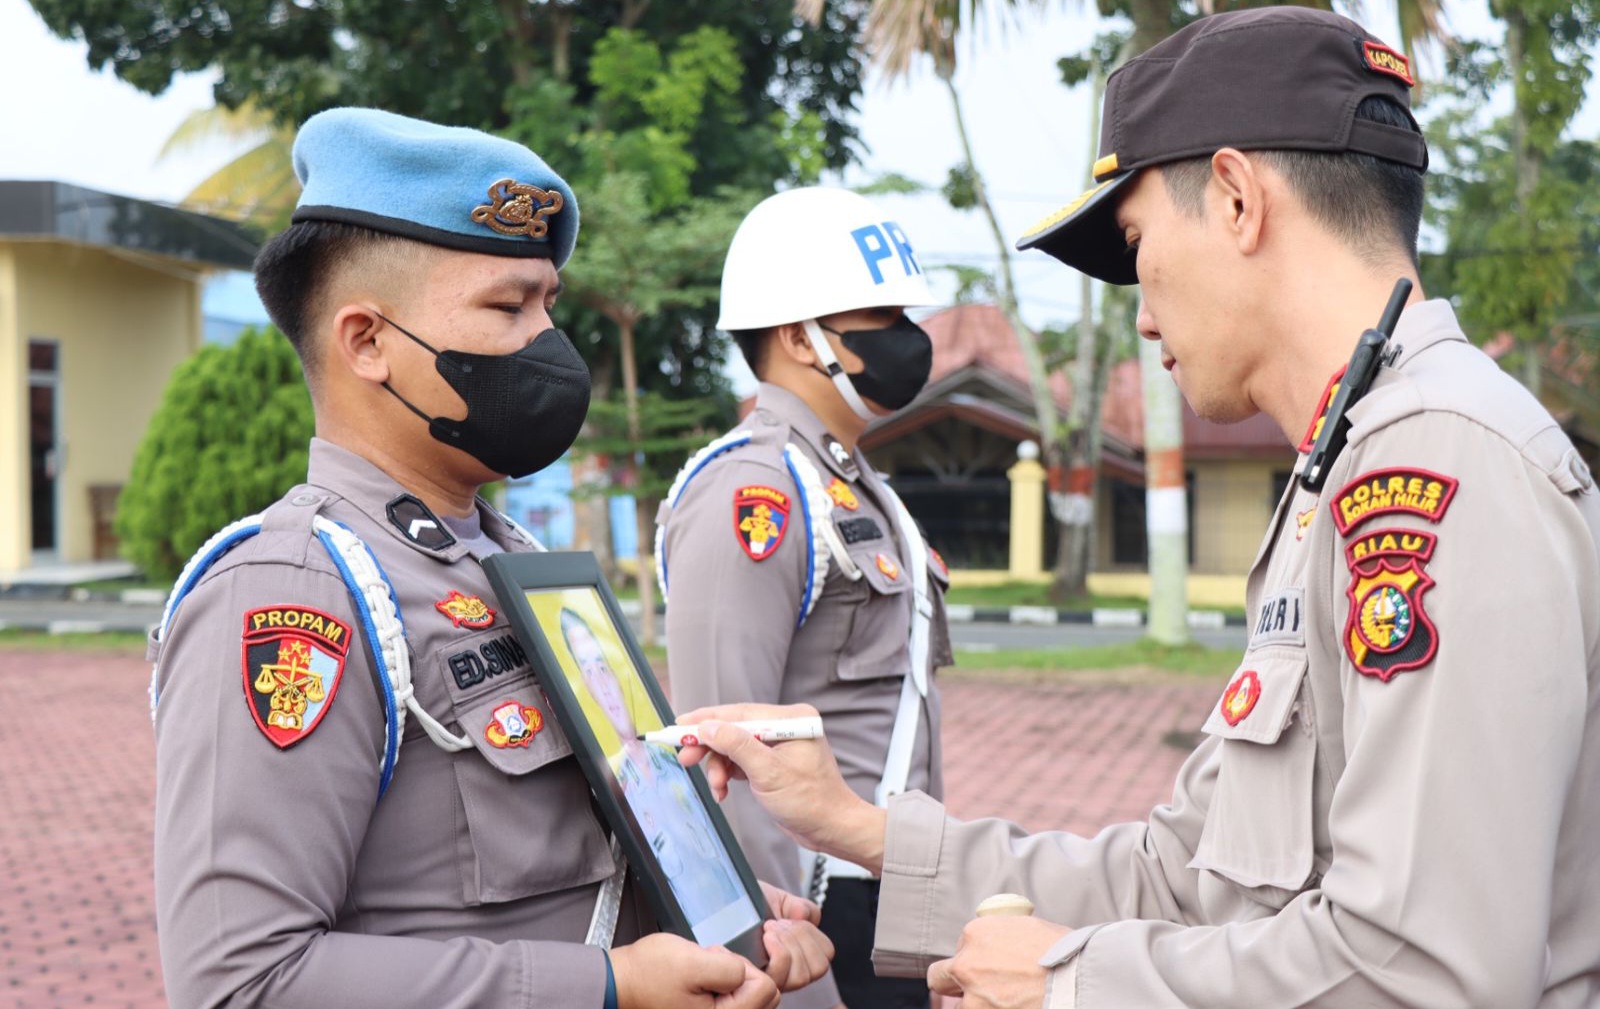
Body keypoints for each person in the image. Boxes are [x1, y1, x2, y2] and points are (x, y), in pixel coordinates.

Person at [673, 7, 1600, 1009]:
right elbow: (1187, 872)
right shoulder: (1344, 466)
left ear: (1238, 199)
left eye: (1136, 241)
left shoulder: (1432, 464)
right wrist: (854, 824)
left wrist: (1070, 982)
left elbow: (1425, 968)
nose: (1143, 307)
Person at [149, 107, 833, 1009]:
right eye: (506, 308)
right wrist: (606, 985)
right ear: (367, 342)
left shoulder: (516, 560)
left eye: (548, 304)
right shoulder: (296, 590)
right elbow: (241, 979)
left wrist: (728, 918)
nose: (548, 344)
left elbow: (568, 872)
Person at [656, 186, 956, 1009]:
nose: (907, 340)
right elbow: (723, 759)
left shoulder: (856, 490)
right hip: (817, 910)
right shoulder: (752, 493)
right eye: (879, 319)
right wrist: (781, 959)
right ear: (798, 337)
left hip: (894, 888)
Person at [558, 606, 750, 931]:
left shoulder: (675, 761)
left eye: (604, 666)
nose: (603, 683)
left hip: (741, 922)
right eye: (588, 672)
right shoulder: (611, 788)